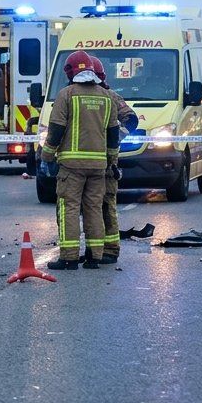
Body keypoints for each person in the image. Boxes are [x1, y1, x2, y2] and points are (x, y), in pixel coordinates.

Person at [41, 51, 120, 270]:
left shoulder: (66, 95)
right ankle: (95, 256)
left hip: (71, 166)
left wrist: (46, 156)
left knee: (69, 208)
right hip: (98, 166)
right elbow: (113, 134)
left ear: (69, 71)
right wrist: (111, 159)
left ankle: (69, 257)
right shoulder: (107, 97)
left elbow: (55, 130)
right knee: (94, 208)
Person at [92, 56, 137, 264]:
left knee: (105, 205)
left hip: (106, 162)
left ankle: (109, 250)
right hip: (94, 162)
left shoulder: (110, 96)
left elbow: (131, 119)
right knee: (95, 207)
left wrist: (114, 137)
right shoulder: (74, 95)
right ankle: (97, 250)